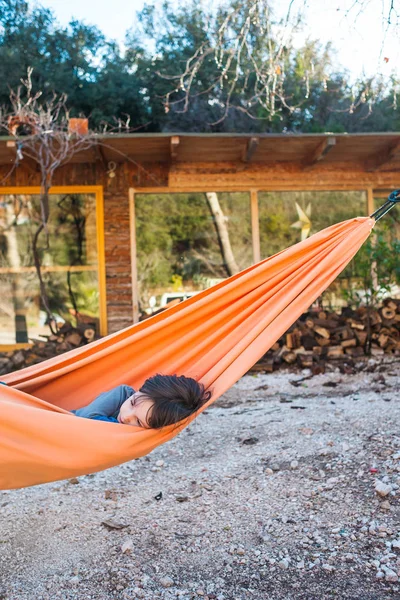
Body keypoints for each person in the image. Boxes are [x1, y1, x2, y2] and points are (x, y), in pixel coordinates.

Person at [72, 374, 212, 428]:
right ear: (139, 390)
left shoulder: (145, 434)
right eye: (132, 403)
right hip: (63, 422)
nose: (126, 417)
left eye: (138, 422)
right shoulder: (121, 393)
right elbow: (85, 419)